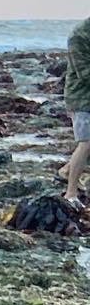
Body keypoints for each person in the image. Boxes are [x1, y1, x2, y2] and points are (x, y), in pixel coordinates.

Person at [61, 14, 90, 206]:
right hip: (81, 97)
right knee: (87, 142)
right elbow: (84, 73)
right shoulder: (78, 36)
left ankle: (66, 171)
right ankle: (70, 193)